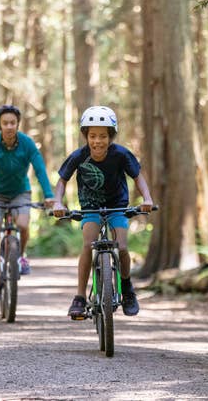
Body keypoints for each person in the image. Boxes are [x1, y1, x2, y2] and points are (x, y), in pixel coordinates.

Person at [52, 106, 153, 318]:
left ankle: (127, 288)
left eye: (103, 136)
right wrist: (58, 203)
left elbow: (138, 177)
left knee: (122, 247)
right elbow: (62, 180)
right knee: (88, 244)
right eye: (92, 136)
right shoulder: (79, 156)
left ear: (111, 137)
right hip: (91, 206)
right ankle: (80, 296)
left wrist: (147, 199)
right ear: (86, 136)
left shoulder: (122, 154)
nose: (97, 141)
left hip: (117, 206)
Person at [0, 104, 55, 300]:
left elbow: (39, 168)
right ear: (0, 125)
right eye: (5, 123)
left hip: (20, 192)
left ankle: (21, 257)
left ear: (18, 124)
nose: (9, 126)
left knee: (22, 224)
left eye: (12, 123)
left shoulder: (27, 144)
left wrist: (48, 195)